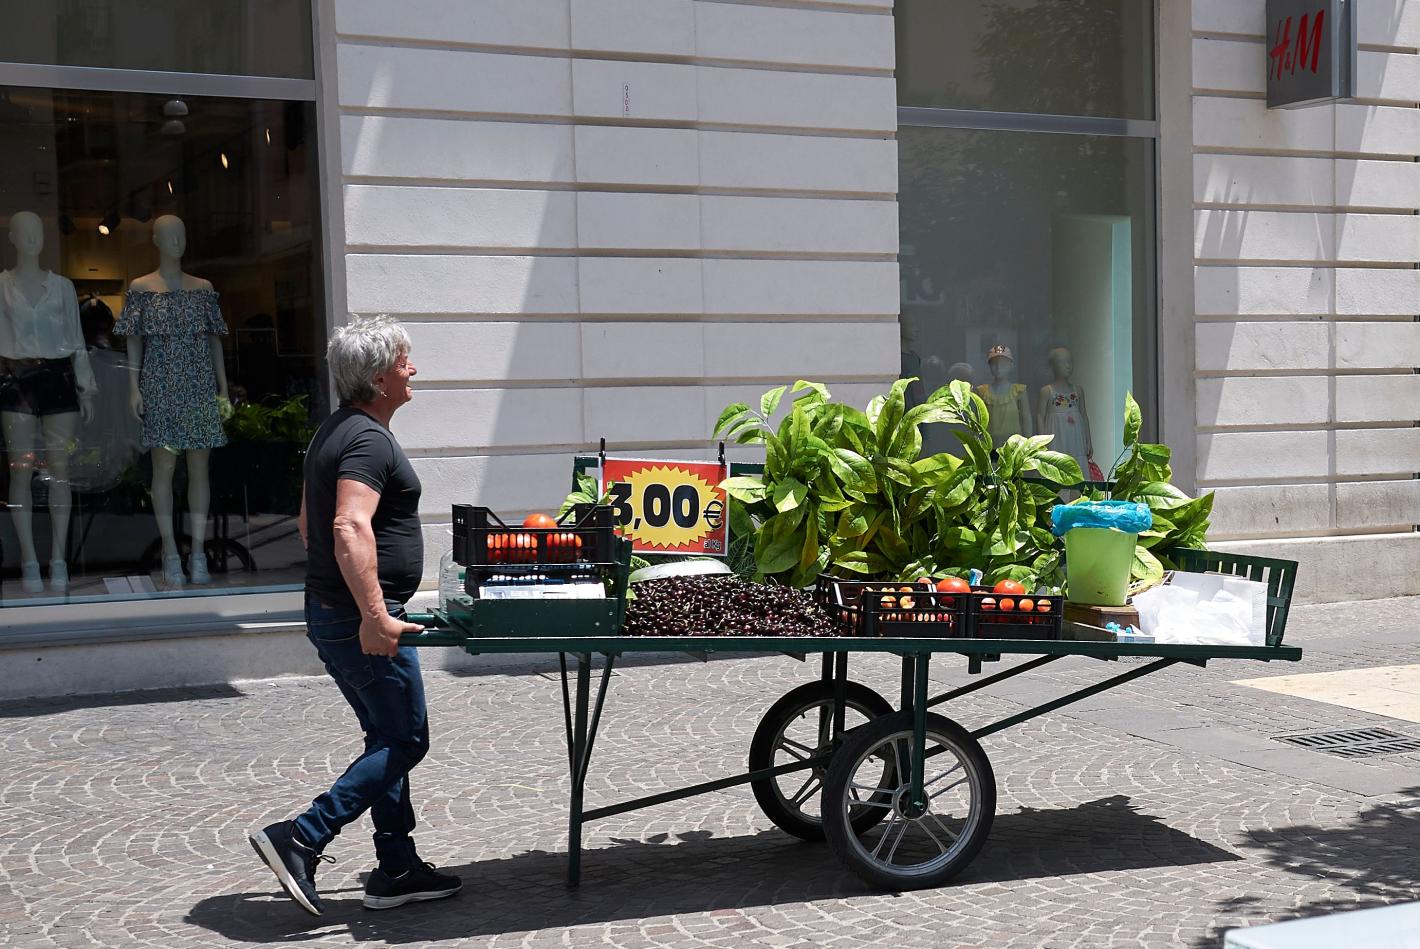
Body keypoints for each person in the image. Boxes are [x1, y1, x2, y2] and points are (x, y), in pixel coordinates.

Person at [249, 314, 461, 915]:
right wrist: (373, 614)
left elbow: (307, 523)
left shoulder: (333, 431)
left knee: (385, 735)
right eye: (403, 361)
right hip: (360, 617)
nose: (413, 369)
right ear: (378, 377)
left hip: (334, 611)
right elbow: (346, 525)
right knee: (406, 738)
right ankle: (301, 836)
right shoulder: (367, 439)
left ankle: (397, 866)